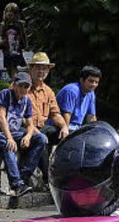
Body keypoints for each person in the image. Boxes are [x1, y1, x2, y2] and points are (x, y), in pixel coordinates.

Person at [0, 72, 47, 197]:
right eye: (20, 85)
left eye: (26, 87)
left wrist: (28, 136)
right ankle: (16, 183)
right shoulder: (5, 94)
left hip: (13, 132)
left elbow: (30, 124)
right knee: (7, 144)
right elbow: (1, 117)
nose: (23, 89)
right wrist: (10, 138)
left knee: (40, 138)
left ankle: (23, 176)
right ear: (14, 85)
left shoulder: (26, 101)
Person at [26, 52, 69, 183]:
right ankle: (48, 178)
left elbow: (55, 113)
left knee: (67, 137)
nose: (41, 71)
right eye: (38, 67)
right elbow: (18, 115)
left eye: (45, 68)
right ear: (31, 69)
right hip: (25, 127)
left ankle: (68, 174)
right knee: (41, 138)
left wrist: (64, 127)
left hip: (42, 127)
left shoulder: (48, 91)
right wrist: (33, 130)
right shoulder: (22, 87)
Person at [56, 65, 101, 132]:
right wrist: (66, 135)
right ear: (82, 80)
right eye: (91, 81)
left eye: (96, 82)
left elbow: (91, 117)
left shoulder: (91, 93)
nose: (93, 85)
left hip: (76, 128)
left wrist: (94, 133)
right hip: (60, 127)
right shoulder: (71, 91)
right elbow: (66, 115)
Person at [0, 3, 28, 79]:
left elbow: (24, 35)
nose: (9, 13)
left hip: (16, 48)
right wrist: (1, 41)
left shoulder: (19, 24)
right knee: (8, 66)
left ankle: (15, 80)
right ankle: (13, 79)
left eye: (12, 12)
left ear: (16, 14)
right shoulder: (3, 24)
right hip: (7, 48)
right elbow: (1, 35)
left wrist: (26, 44)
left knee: (14, 65)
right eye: (7, 11)